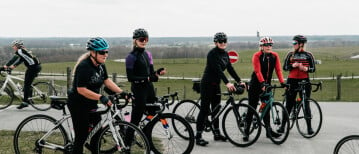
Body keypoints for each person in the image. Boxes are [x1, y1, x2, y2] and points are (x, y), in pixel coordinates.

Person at [67, 37, 127, 154]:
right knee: (81, 137)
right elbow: (81, 90)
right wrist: (101, 97)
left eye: (106, 51)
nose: (105, 55)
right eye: (102, 52)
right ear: (92, 52)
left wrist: (122, 93)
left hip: (91, 103)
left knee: (97, 134)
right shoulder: (84, 66)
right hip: (78, 104)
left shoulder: (100, 65)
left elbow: (107, 81)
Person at [195, 32, 245, 146]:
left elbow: (230, 69)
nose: (223, 43)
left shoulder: (225, 54)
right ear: (216, 43)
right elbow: (218, 69)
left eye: (224, 41)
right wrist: (227, 83)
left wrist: (239, 81)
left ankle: (216, 134)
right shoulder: (212, 54)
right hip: (207, 84)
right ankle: (198, 136)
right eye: (220, 41)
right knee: (204, 110)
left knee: (216, 110)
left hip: (216, 85)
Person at [125, 28, 166, 145]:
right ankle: (127, 146)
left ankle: (148, 142)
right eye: (141, 39)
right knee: (134, 121)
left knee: (151, 117)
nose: (144, 41)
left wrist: (157, 73)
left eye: (146, 39)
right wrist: (148, 78)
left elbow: (151, 74)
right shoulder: (131, 57)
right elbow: (130, 78)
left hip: (149, 89)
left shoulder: (148, 54)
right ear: (135, 41)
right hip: (139, 91)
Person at [244, 37, 285, 140]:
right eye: (266, 45)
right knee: (252, 108)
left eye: (270, 45)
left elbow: (278, 70)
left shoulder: (274, 56)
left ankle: (268, 131)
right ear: (261, 46)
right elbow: (257, 71)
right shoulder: (257, 56)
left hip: (267, 85)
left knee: (266, 108)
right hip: (256, 85)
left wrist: (282, 82)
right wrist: (262, 83)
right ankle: (246, 131)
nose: (269, 47)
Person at [280, 35, 316, 134]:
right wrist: (292, 66)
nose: (293, 45)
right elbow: (285, 68)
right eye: (293, 43)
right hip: (292, 81)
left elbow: (313, 69)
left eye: (295, 43)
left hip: (305, 81)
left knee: (306, 104)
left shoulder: (309, 55)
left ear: (301, 44)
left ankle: (309, 128)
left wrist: (306, 69)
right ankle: (283, 126)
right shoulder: (290, 54)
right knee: (289, 105)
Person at [1, 40, 42, 109]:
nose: (13, 47)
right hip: (35, 67)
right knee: (28, 83)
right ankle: (29, 99)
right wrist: (13, 67)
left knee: (26, 85)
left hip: (33, 68)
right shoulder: (23, 50)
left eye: (14, 46)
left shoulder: (19, 51)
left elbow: (13, 60)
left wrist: (4, 67)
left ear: (17, 46)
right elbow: (21, 60)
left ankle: (25, 102)